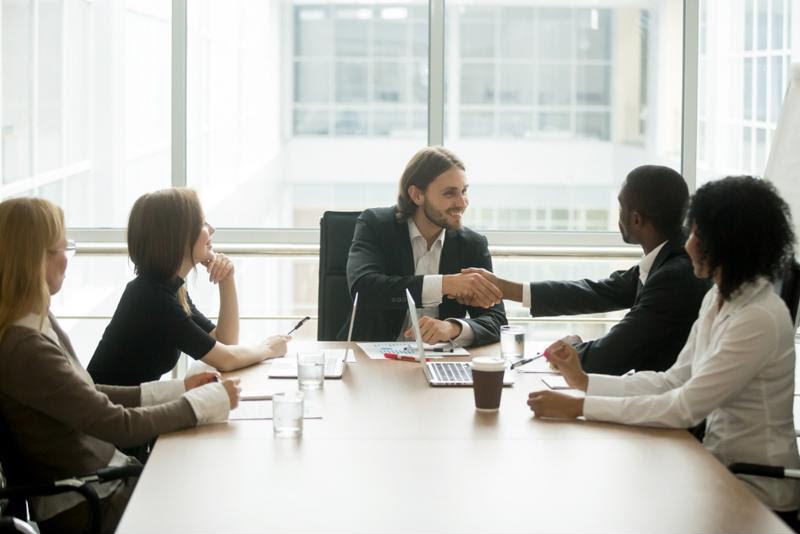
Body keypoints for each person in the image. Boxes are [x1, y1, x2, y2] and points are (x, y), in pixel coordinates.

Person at [528, 176, 799, 518]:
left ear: (730, 243)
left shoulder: (758, 318)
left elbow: (683, 407)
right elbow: (673, 380)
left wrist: (581, 406)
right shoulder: (719, 297)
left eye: (698, 235)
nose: (687, 245)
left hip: (757, 489)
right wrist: (585, 382)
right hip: (716, 469)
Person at [0, 198, 241, 533]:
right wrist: (201, 405)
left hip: (110, 479)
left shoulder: (37, 322)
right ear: (34, 259)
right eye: (61, 249)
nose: (67, 261)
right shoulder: (24, 346)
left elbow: (89, 392)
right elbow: (116, 424)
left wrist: (181, 388)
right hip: (90, 503)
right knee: (218, 503)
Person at [463, 165, 710, 374]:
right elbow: (599, 292)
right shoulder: (668, 260)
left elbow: (615, 354)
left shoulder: (675, 276)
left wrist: (566, 354)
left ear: (636, 219)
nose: (619, 214)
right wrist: (507, 289)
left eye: (621, 205)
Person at [87, 188, 289, 386]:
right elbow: (226, 359)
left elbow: (225, 343)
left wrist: (227, 279)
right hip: (105, 415)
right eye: (202, 223)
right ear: (179, 237)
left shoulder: (169, 288)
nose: (212, 229)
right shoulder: (151, 298)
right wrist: (268, 348)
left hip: (128, 410)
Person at [344, 146, 507, 346]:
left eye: (464, 191)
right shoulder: (376, 225)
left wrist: (453, 328)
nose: (462, 203)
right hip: (373, 358)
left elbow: (496, 321)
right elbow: (364, 289)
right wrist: (444, 284)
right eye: (450, 194)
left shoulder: (472, 245)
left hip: (440, 360)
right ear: (417, 195)